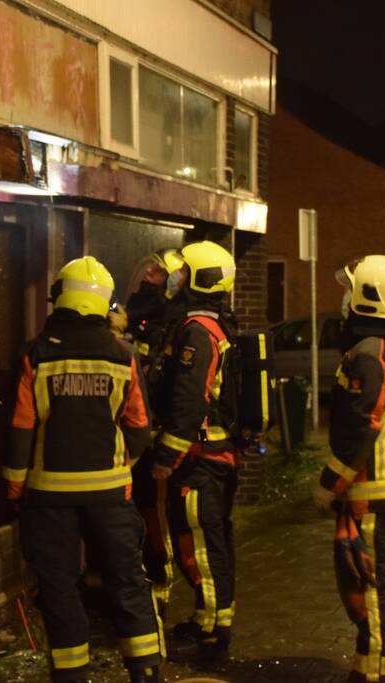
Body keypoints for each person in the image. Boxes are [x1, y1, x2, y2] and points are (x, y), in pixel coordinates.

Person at [4, 256, 163, 683]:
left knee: (59, 590)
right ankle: (146, 672)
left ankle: (72, 676)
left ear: (59, 298)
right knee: (127, 583)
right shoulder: (122, 355)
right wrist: (120, 466)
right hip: (111, 496)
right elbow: (139, 427)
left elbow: (21, 427)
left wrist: (16, 487)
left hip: (49, 496)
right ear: (105, 304)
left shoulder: (35, 355)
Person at [313, 255, 385, 683]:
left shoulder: (369, 353)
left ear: (368, 298)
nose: (344, 297)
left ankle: (374, 672)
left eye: (351, 289)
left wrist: (329, 483)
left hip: (369, 490)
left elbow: (361, 425)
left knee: (372, 584)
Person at [148, 240, 240, 661]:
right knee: (203, 540)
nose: (175, 278)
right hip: (205, 455)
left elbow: (189, 399)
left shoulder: (198, 331)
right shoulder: (204, 324)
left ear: (201, 278)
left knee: (201, 543)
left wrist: (166, 456)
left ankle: (212, 636)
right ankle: (207, 621)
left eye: (182, 271)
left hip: (201, 458)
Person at [124, 249, 186, 614]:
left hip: (147, 424)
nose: (150, 270)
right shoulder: (147, 308)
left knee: (148, 504)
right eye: (151, 267)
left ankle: (156, 573)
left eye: (160, 270)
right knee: (141, 503)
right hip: (137, 419)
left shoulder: (164, 313)